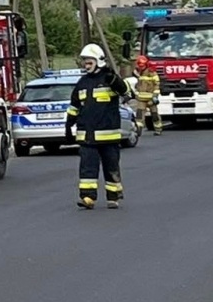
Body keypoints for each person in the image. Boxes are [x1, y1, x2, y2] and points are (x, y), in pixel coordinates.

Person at [65, 43, 130, 210]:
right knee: (87, 169)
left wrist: (115, 81)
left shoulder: (110, 79)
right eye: (85, 62)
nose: (86, 66)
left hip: (109, 136)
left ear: (99, 61)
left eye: (89, 62)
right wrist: (68, 124)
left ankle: (113, 197)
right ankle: (87, 197)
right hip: (87, 136)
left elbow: (126, 93)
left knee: (111, 168)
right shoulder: (82, 83)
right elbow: (74, 105)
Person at [133, 64, 162, 134]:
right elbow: (137, 85)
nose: (140, 67)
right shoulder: (138, 72)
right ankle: (138, 130)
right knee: (139, 115)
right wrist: (136, 94)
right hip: (141, 99)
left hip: (151, 99)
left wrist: (155, 96)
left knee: (154, 115)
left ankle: (158, 129)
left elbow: (157, 85)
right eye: (139, 66)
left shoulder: (152, 73)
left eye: (142, 66)